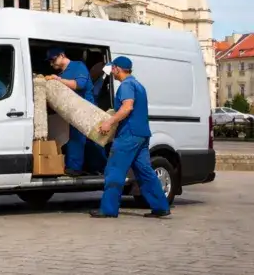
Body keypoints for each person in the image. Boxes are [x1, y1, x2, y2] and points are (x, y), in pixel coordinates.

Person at [91, 56, 170, 218]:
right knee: (145, 172)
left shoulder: (126, 86)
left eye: (112, 68)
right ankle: (161, 206)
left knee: (114, 170)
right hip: (142, 134)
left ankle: (108, 209)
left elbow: (127, 107)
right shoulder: (138, 85)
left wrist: (109, 122)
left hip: (128, 135)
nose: (111, 72)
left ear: (117, 69)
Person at [44, 47, 107, 176]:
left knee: (81, 139)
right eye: (49, 62)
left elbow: (80, 84)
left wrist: (58, 80)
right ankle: (96, 167)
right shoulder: (61, 74)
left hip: (85, 109)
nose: (51, 64)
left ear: (62, 55)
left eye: (53, 60)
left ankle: (75, 168)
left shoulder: (78, 66)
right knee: (88, 141)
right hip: (72, 111)